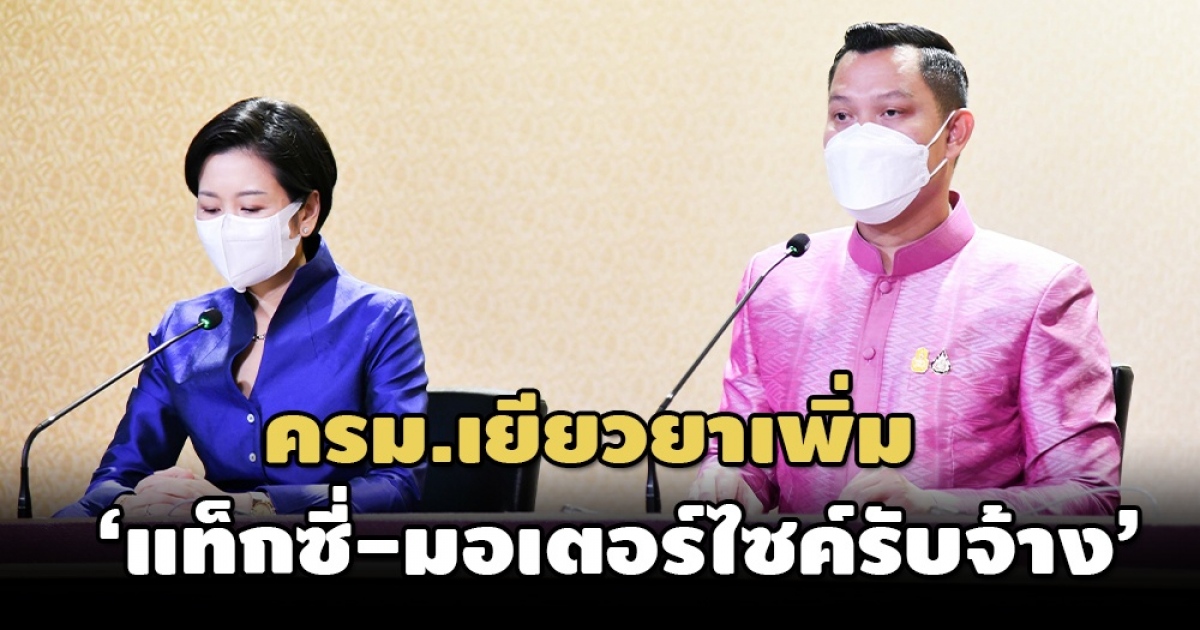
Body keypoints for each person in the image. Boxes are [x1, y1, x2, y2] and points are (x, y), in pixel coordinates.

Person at [689, 23, 1121, 516]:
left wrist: (937, 511)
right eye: (842, 115)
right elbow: (741, 451)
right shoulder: (777, 278)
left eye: (890, 113)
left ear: (954, 133)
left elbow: (1092, 496)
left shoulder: (1039, 290)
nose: (860, 136)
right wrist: (728, 481)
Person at [56, 98, 428, 518]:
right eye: (210, 208)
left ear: (306, 212)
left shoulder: (378, 319)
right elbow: (116, 477)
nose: (227, 227)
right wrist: (132, 503)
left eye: (250, 208)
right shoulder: (185, 329)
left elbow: (397, 484)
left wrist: (254, 505)